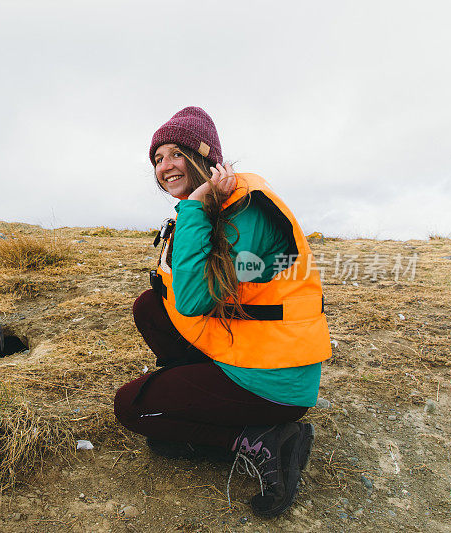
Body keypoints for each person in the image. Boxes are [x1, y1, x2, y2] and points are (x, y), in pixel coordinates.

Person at [113, 107, 331, 517]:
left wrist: (195, 206)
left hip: (273, 381)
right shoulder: (218, 202)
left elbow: (195, 301)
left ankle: (267, 438)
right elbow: (175, 291)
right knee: (150, 307)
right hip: (248, 352)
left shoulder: (243, 208)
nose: (165, 167)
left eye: (175, 153)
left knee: (134, 408)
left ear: (204, 157)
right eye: (157, 159)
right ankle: (197, 393)